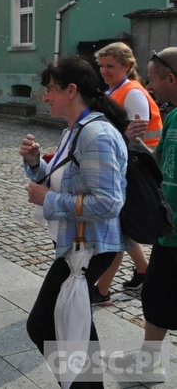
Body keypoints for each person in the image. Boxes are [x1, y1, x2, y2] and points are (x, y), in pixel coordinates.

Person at [18, 58, 130, 387]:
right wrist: (36, 164)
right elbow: (66, 180)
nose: (45, 97)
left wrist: (47, 200)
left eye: (50, 89)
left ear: (71, 90)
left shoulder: (94, 133)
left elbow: (109, 202)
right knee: (77, 325)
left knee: (43, 325)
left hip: (91, 247)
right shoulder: (76, 129)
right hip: (78, 243)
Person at [91, 42, 162, 306]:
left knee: (118, 229)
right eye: (102, 65)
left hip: (137, 170)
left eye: (111, 66)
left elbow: (137, 141)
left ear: (127, 66)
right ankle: (143, 270)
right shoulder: (115, 90)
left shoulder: (132, 93)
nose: (104, 71)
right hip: (124, 166)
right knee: (123, 226)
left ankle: (102, 290)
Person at [121, 48, 177, 369]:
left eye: (152, 78)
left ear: (171, 78)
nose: (148, 86)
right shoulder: (173, 116)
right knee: (154, 299)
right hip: (168, 233)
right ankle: (149, 360)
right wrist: (135, 146)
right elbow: (158, 163)